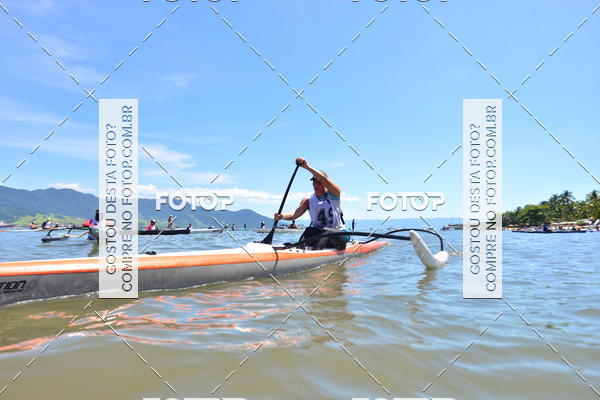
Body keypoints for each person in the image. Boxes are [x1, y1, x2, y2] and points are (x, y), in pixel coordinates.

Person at [274, 157, 348, 250]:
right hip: (320, 236)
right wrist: (282, 216)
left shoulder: (334, 194)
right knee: (309, 230)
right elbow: (294, 215)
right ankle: (299, 249)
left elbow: (324, 179)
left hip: (339, 235)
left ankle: (315, 253)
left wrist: (306, 166)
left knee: (325, 231)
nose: (316, 184)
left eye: (319, 182)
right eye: (314, 182)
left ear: (325, 183)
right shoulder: (308, 200)